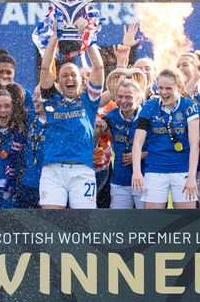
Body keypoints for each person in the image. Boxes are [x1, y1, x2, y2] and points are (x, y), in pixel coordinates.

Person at [38, 17, 104, 208]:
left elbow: (98, 67)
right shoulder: (52, 101)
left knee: (83, 226)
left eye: (73, 74)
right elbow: (44, 68)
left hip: (82, 171)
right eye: (64, 75)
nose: (69, 78)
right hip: (53, 170)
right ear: (58, 82)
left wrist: (86, 36)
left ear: (81, 80)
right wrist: (55, 35)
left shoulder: (88, 100)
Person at [131, 69, 200, 209]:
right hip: (155, 170)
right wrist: (137, 171)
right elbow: (138, 142)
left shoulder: (189, 106)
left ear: (179, 87)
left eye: (169, 88)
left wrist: (192, 176)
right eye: (161, 88)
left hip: (182, 169)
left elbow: (194, 144)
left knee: (186, 220)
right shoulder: (150, 107)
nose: (163, 92)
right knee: (153, 221)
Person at [102, 71, 148, 208]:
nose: (123, 101)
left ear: (138, 97)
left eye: (129, 97)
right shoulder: (112, 115)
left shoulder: (147, 116)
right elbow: (102, 125)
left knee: (149, 223)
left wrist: (139, 156)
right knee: (119, 222)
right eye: (120, 97)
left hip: (145, 179)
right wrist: (100, 126)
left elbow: (160, 147)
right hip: (120, 180)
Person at [15, 86, 45, 209]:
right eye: (34, 94)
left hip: (51, 186)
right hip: (27, 184)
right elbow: (13, 93)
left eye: (39, 95)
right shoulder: (30, 116)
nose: (34, 99)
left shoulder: (59, 121)